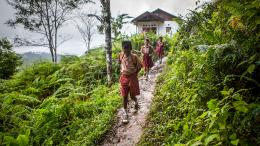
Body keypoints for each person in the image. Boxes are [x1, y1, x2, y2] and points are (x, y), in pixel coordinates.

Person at [119, 40, 142, 124]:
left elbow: (140, 66)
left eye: (128, 49)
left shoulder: (134, 57)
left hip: (132, 77)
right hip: (124, 78)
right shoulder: (121, 55)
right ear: (122, 49)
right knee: (124, 96)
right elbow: (120, 64)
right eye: (124, 49)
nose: (126, 51)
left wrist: (135, 73)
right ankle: (125, 113)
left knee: (132, 95)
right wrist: (122, 72)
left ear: (131, 48)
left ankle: (136, 102)